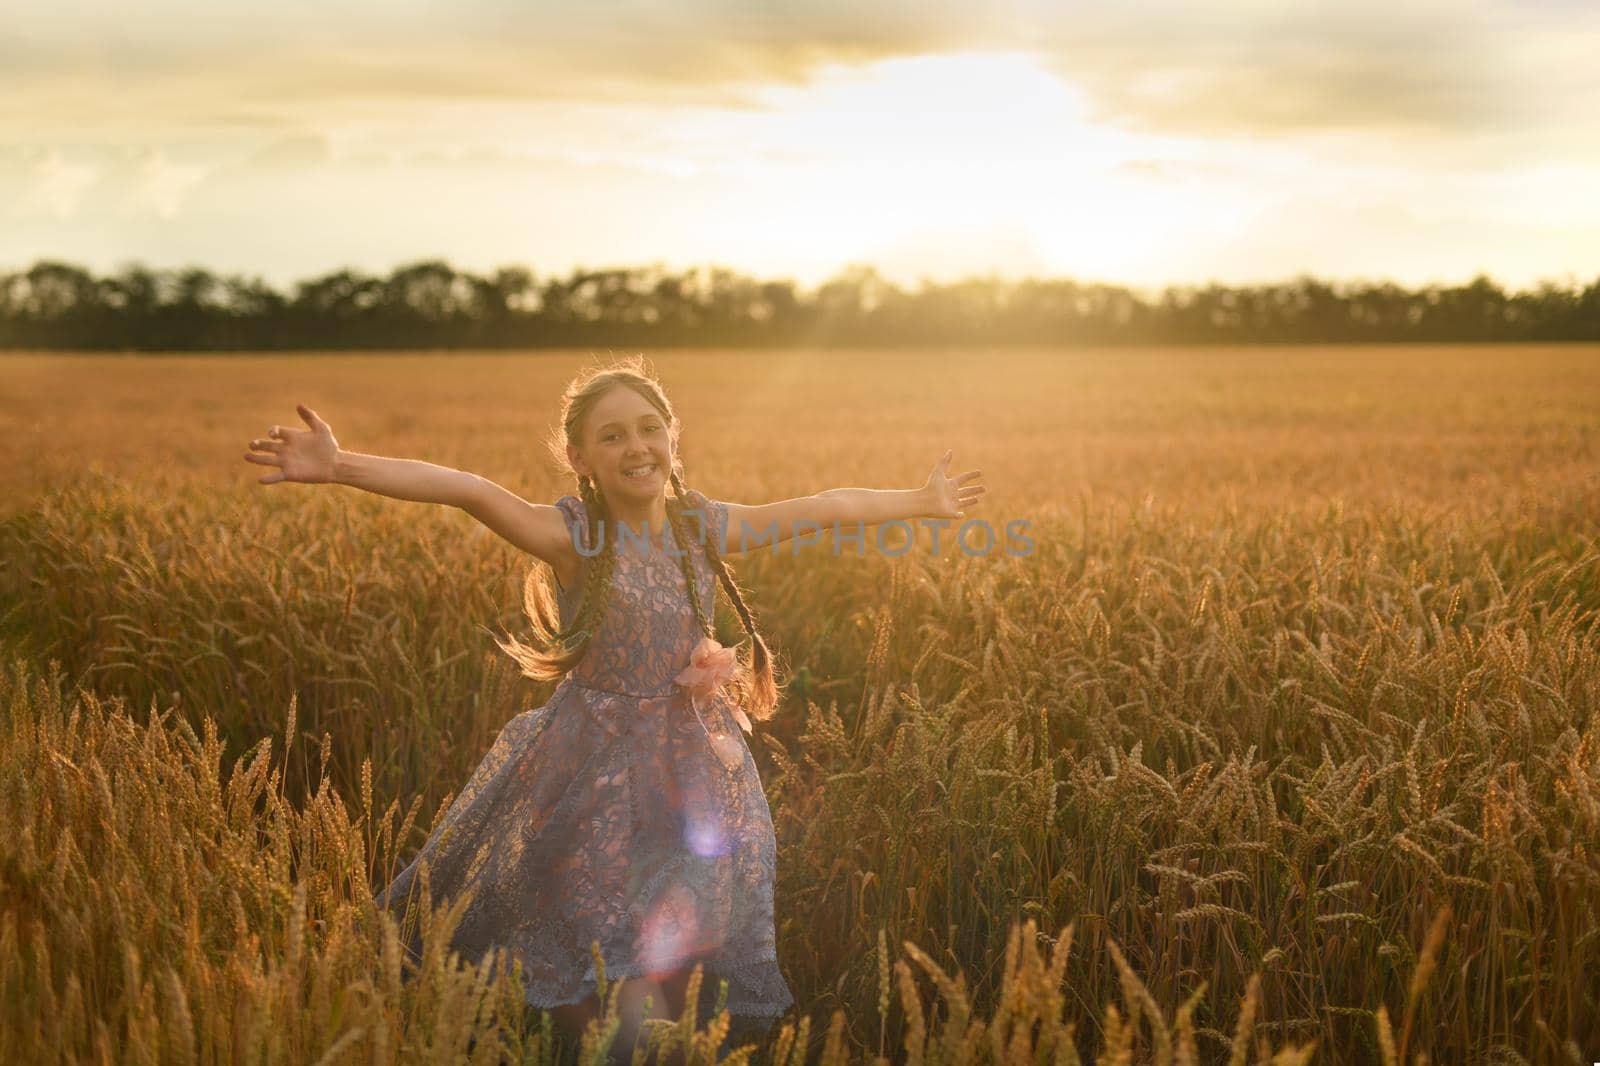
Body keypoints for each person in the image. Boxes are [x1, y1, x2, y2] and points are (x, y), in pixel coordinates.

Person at [242, 356, 984, 1062]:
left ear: (672, 438)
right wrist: (339, 466)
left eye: (648, 428)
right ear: (580, 458)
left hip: (689, 775)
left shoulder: (704, 526)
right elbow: (468, 488)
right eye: (612, 435)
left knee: (671, 953)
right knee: (608, 955)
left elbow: (827, 506)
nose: (636, 446)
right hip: (591, 773)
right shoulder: (576, 538)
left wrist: (922, 501)